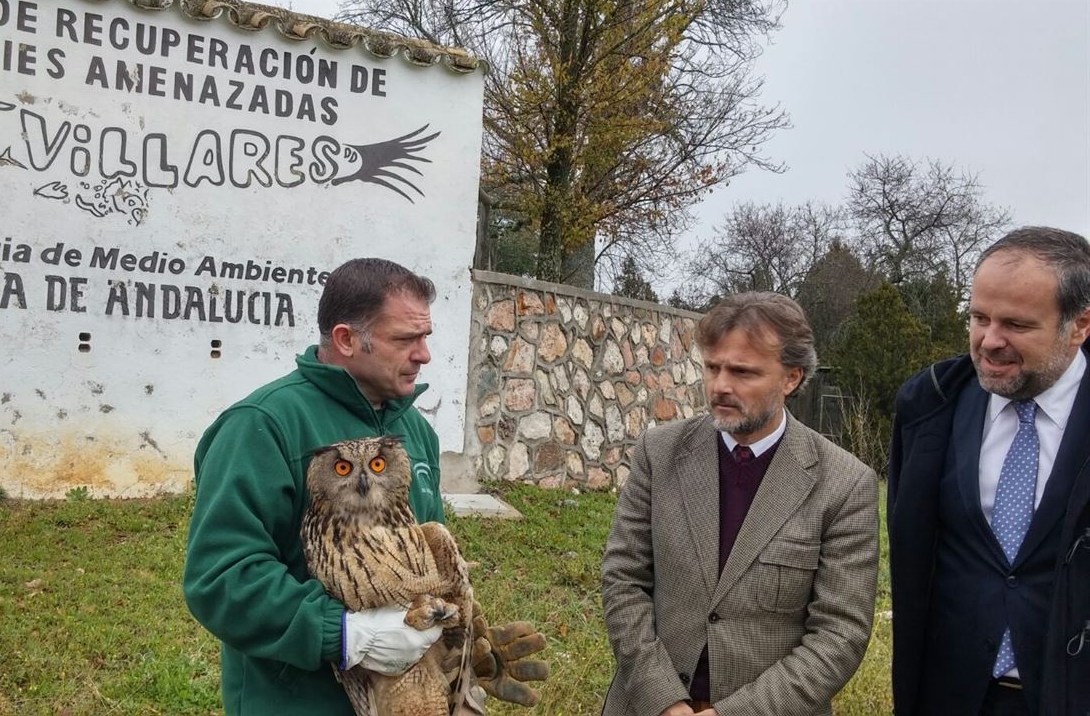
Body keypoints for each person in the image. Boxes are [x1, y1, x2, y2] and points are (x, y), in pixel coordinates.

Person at [183, 257, 547, 715]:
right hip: (299, 701)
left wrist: (456, 646)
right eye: (405, 339)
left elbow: (422, 564)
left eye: (425, 338)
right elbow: (220, 578)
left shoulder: (415, 432)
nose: (424, 354)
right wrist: (343, 634)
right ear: (346, 339)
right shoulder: (264, 426)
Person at [601, 291, 879, 716]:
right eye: (712, 367)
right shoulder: (660, 452)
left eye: (743, 372)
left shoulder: (843, 484)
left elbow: (839, 634)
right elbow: (624, 580)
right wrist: (664, 700)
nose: (721, 386)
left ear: (791, 378)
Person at [888, 227, 1090, 716]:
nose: (989, 341)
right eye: (979, 318)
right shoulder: (929, 405)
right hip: (948, 696)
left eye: (1016, 325)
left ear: (1079, 325)